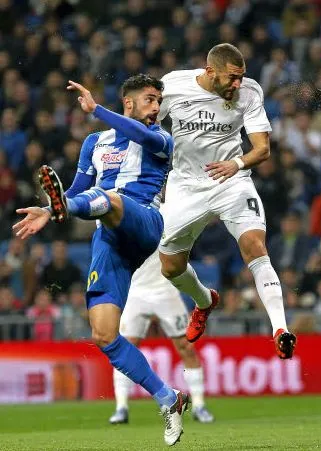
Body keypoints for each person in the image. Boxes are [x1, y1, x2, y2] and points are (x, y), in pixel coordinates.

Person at [12, 75, 190, 446]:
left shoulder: (161, 138)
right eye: (149, 99)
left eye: (159, 100)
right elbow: (73, 193)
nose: (157, 107)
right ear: (129, 102)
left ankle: (70, 212)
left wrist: (97, 110)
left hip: (142, 220)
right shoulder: (95, 142)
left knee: (110, 198)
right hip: (108, 239)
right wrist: (49, 210)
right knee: (104, 335)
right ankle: (168, 399)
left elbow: (139, 141)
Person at [156, 43, 296, 357]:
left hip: (231, 180)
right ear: (210, 72)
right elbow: (148, 127)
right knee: (170, 267)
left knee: (255, 247)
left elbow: (262, 149)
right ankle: (205, 301)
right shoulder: (174, 85)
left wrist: (237, 164)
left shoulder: (249, 92)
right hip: (186, 186)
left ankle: (280, 329)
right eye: (232, 78)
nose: (237, 84)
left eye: (241, 77)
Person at [109, 250, 215, 425]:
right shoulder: (126, 223)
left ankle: (199, 406)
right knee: (125, 350)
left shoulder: (168, 222)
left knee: (186, 347)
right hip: (136, 292)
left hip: (166, 291)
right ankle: (121, 408)